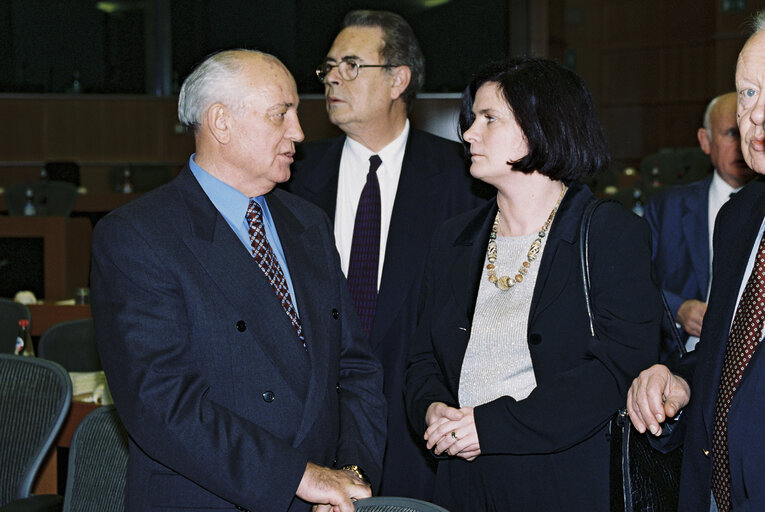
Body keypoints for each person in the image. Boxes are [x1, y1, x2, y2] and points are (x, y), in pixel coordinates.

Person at [90, 49, 386, 512]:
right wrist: (299, 477)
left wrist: (352, 473)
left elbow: (355, 368)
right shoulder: (138, 236)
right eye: (280, 114)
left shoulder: (307, 223)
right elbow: (161, 403)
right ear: (221, 123)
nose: (299, 132)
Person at [404, 57, 663, 512]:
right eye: (472, 120)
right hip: (461, 482)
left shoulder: (608, 234)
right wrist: (432, 409)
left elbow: (616, 368)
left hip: (565, 481)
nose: (468, 134)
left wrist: (492, 426)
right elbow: (422, 358)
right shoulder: (453, 239)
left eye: (489, 119)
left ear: (541, 126)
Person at [287, 10, 486, 500]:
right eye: (329, 66)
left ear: (399, 79)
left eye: (352, 64)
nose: (333, 77)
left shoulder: (465, 181)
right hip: (314, 437)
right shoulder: (292, 179)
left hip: (424, 436)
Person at [627, 10, 765, 511]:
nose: (755, 114)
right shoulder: (740, 217)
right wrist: (681, 380)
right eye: (747, 92)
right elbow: (728, 355)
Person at [645, 92, 755, 351]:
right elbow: (634, 285)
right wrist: (678, 309)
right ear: (705, 141)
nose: (742, 143)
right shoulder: (666, 208)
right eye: (731, 133)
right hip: (683, 353)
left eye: (748, 130)